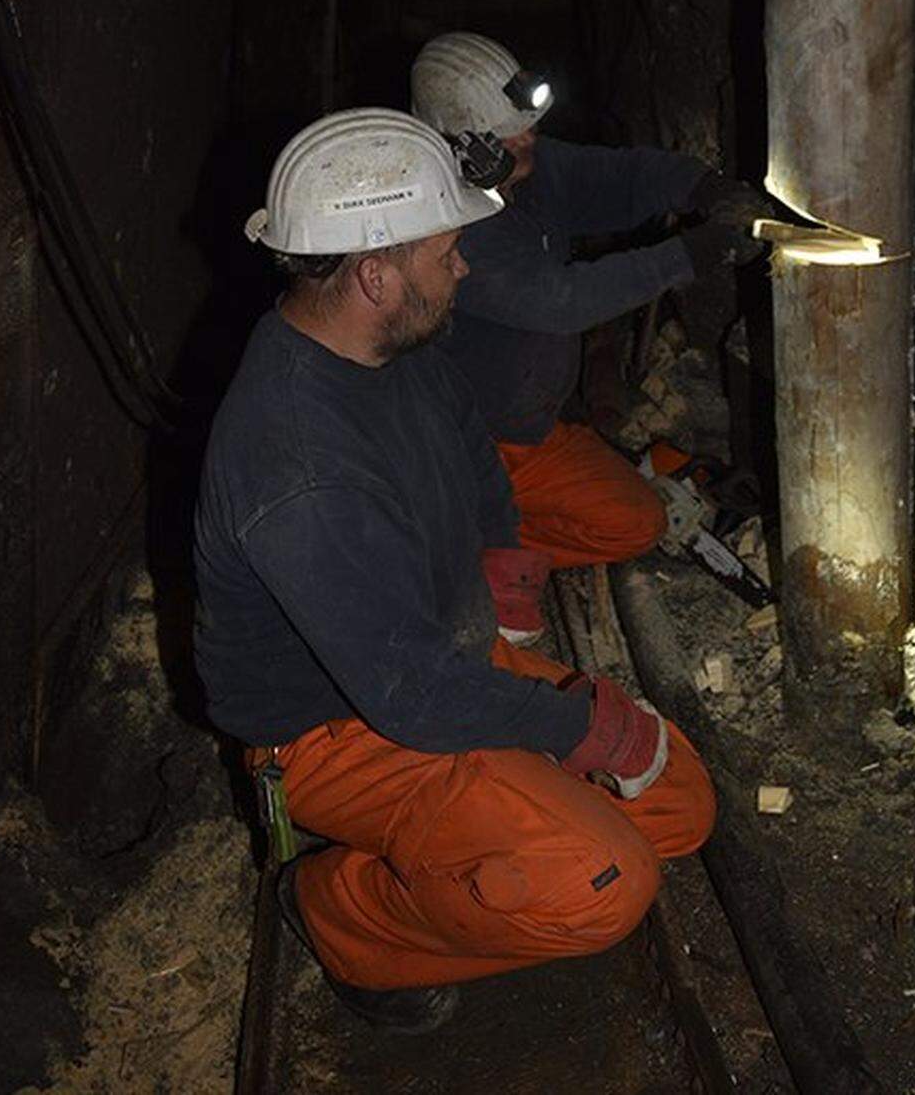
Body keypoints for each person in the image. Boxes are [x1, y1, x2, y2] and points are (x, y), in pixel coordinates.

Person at [194, 108, 715, 1034]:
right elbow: (410, 695)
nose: (465, 267)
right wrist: (581, 728)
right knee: (607, 881)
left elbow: (473, 447)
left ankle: (491, 828)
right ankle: (340, 911)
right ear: (374, 273)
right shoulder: (298, 466)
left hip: (435, 658)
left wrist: (506, 571)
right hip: (337, 729)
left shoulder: (388, 346)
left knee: (681, 806)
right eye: (447, 252)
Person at [410, 32, 769, 570]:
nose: (528, 139)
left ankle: (475, 525)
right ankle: (462, 542)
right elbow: (561, 302)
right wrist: (693, 254)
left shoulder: (521, 166)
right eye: (508, 135)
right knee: (624, 527)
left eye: (528, 124)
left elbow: (615, 179)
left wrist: (703, 188)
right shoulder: (446, 228)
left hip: (532, 427)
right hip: (471, 443)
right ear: (458, 146)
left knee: (638, 514)